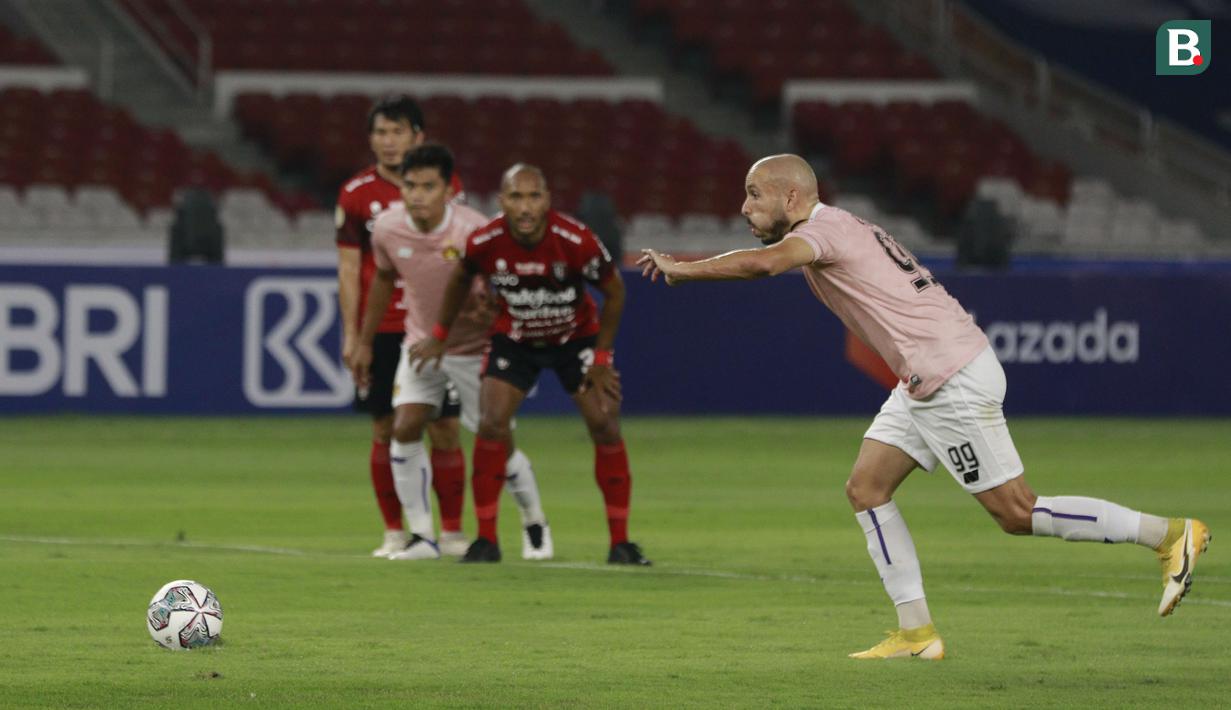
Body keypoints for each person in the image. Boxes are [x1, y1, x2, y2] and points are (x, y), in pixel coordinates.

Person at [637, 154, 1210, 658]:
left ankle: (1167, 534)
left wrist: (682, 268)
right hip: (927, 378)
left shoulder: (820, 231)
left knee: (1015, 511)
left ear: (792, 196)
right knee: (866, 489)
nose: (744, 208)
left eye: (754, 195)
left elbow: (762, 265)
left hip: (950, 377)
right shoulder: (838, 227)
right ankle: (916, 635)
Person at [336, 95, 546, 557]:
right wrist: (357, 336)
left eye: (397, 131)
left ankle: (494, 525)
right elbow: (355, 270)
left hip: (460, 342)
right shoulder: (363, 203)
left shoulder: (465, 218)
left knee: (468, 432)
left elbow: (490, 277)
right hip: (405, 332)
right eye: (380, 132)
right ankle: (408, 533)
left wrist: (491, 315)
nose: (387, 142)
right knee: (392, 425)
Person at [412, 163, 651, 565]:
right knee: (491, 424)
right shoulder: (486, 240)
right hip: (515, 339)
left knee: (605, 423)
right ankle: (486, 540)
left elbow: (615, 291)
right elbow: (458, 279)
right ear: (502, 200)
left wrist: (601, 357)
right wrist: (439, 334)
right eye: (516, 197)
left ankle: (621, 543)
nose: (525, 207)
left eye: (533, 196)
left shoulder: (574, 240)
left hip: (574, 338)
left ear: (547, 200)